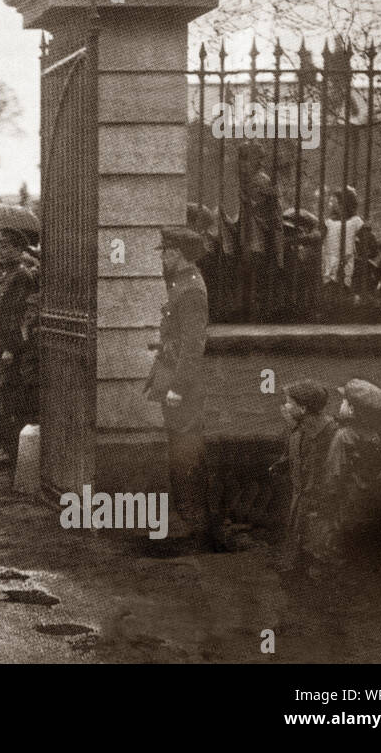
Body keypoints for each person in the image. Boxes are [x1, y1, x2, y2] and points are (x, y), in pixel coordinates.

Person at [144, 227, 214, 546]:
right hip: (171, 371)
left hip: (181, 382)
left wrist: (179, 386)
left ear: (179, 254)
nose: (163, 256)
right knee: (179, 446)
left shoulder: (190, 289)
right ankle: (188, 515)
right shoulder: (180, 282)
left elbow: (193, 344)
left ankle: (193, 520)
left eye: (167, 252)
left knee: (186, 450)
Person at [322, 378, 381, 608]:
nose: (340, 404)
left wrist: (328, 510)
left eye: (343, 400)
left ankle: (350, 603)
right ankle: (374, 598)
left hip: (350, 507)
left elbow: (333, 477)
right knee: (372, 553)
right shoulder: (379, 435)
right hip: (374, 508)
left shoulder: (343, 436)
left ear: (352, 409)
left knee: (345, 553)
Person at [270, 379, 338, 575]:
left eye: (289, 402)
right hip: (302, 494)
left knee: (315, 538)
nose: (285, 406)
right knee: (299, 530)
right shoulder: (300, 428)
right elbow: (296, 452)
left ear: (303, 407)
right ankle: (298, 566)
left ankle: (315, 575)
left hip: (317, 498)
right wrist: (281, 465)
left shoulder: (328, 431)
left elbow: (325, 468)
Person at [0, 228, 38, 458]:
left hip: (13, 344)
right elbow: (2, 314)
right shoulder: (8, 274)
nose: (1, 250)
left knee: (11, 396)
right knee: (3, 394)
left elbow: (17, 315)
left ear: (19, 250)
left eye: (6, 246)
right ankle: (6, 447)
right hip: (2, 341)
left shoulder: (21, 275)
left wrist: (9, 347)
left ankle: (11, 450)